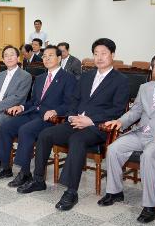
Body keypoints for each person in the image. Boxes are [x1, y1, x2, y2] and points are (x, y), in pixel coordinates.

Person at [16, 38, 129, 213]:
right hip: (76, 122)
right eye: (96, 54)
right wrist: (71, 117)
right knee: (45, 135)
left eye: (104, 53)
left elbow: (118, 109)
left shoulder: (121, 80)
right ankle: (38, 180)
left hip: (98, 127)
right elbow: (74, 101)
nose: (99, 57)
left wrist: (90, 120)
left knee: (77, 139)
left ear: (112, 55)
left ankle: (71, 191)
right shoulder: (86, 76)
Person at [99, 52, 155, 223]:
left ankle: (150, 206)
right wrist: (120, 121)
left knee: (148, 156)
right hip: (141, 132)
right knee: (113, 149)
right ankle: (115, 191)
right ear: (152, 69)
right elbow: (136, 111)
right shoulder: (145, 87)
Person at [0, 45, 77, 187]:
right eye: (44, 56)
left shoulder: (68, 78)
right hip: (33, 112)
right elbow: (33, 101)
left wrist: (56, 111)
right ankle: (5, 167)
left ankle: (25, 172)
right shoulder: (40, 78)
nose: (46, 59)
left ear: (59, 58)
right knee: (6, 127)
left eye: (50, 55)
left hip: (50, 119)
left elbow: (70, 103)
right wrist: (21, 106)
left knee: (25, 130)